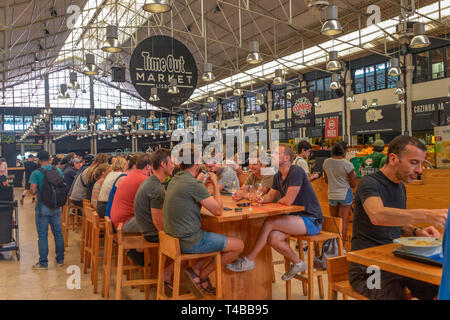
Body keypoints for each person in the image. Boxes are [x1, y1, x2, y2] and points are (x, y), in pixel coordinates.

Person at [349, 135, 448, 300]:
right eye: (414, 162)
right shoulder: (369, 182)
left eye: (421, 164)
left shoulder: (400, 186)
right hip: (367, 266)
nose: (420, 170)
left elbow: (397, 225)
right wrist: (427, 214)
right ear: (393, 158)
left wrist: (417, 231)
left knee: (440, 287)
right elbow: (377, 215)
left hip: (397, 259)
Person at [227, 143, 323, 281]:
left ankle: (248, 260)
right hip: (296, 219)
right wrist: (260, 199)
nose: (272, 156)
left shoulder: (296, 171)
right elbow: (270, 196)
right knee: (273, 237)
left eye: (277, 154)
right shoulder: (278, 175)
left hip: (311, 220)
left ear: (287, 157)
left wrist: (269, 200)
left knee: (270, 222)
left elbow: (288, 200)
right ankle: (298, 263)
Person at [164, 144, 244, 297]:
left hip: (172, 237)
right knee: (238, 246)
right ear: (196, 163)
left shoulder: (175, 179)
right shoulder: (192, 183)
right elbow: (218, 210)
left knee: (214, 236)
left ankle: (194, 272)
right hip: (188, 241)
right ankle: (201, 275)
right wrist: (214, 182)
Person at [126, 149, 174, 274]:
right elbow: (158, 223)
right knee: (188, 241)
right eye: (172, 162)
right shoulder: (156, 188)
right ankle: (168, 276)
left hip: (144, 228)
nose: (174, 165)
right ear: (163, 164)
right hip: (151, 234)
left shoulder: (150, 181)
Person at [29, 150, 65, 269]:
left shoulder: (36, 173)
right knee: (58, 234)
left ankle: (43, 263)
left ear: (38, 160)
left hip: (42, 207)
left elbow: (33, 191)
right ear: (49, 158)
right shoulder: (58, 170)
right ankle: (60, 260)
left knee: (43, 235)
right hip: (56, 206)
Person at [322, 141, 356, 241]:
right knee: (343, 222)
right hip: (345, 194)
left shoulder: (326, 162)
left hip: (332, 194)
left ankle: (334, 247)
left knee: (334, 222)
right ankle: (342, 248)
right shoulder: (348, 164)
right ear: (344, 151)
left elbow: (327, 180)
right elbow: (353, 185)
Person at [110, 153, 152, 230]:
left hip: (116, 222)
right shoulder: (143, 179)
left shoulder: (131, 176)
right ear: (148, 167)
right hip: (123, 224)